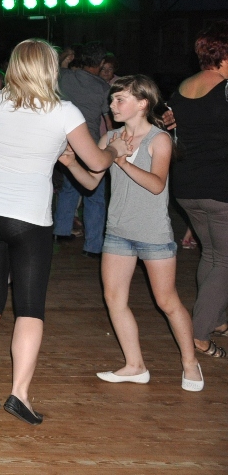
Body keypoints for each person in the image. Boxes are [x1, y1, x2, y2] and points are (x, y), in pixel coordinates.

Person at [0, 39, 125, 426]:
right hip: (28, 218)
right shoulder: (63, 111)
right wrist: (114, 150)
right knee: (29, 307)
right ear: (51, 69)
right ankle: (19, 393)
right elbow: (96, 163)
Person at [58, 75, 202, 391]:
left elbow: (157, 185)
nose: (112, 105)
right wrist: (70, 163)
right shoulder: (110, 137)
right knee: (114, 299)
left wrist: (121, 160)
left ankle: (190, 363)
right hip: (118, 232)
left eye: (119, 99)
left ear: (142, 103)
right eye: (112, 99)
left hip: (153, 233)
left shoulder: (159, 140)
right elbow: (92, 181)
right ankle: (135, 366)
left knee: (167, 302)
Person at [169, 20, 228, 360]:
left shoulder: (183, 87)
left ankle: (216, 318)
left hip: (187, 185)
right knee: (225, 260)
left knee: (212, 254)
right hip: (219, 185)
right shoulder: (225, 88)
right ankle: (200, 335)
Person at [53, 42, 112, 256]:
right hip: (90, 144)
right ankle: (93, 246)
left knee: (70, 188)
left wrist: (65, 58)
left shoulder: (65, 77)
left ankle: (61, 231)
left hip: (66, 143)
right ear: (101, 62)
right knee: (94, 195)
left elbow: (55, 69)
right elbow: (108, 118)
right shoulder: (103, 87)